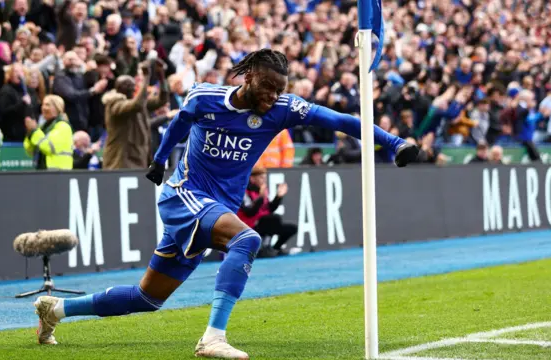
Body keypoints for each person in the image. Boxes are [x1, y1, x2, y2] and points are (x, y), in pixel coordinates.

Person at [33, 49, 422, 359]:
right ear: (248, 77)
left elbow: (341, 120)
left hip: (214, 207)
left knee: (148, 298)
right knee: (247, 240)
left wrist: (393, 143)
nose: (273, 97)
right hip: (184, 194)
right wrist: (159, 160)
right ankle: (212, 338)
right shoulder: (205, 97)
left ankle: (55, 310)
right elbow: (180, 123)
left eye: (279, 89)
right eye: (268, 87)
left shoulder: (284, 108)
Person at [237, 166, 296, 258]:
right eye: (261, 178)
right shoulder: (244, 192)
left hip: (264, 222)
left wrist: (279, 196)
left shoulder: (262, 190)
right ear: (252, 179)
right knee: (272, 220)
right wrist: (260, 197)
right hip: (248, 226)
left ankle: (275, 249)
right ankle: (262, 249)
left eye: (264, 178)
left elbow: (269, 209)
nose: (264, 180)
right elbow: (250, 212)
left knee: (291, 228)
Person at [23, 95, 73, 170]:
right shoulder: (42, 127)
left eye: (47, 105)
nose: (43, 108)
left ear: (57, 107)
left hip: (58, 174)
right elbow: (30, 151)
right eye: (43, 104)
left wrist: (34, 131)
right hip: (43, 172)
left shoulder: (63, 126)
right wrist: (30, 132)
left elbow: (49, 147)